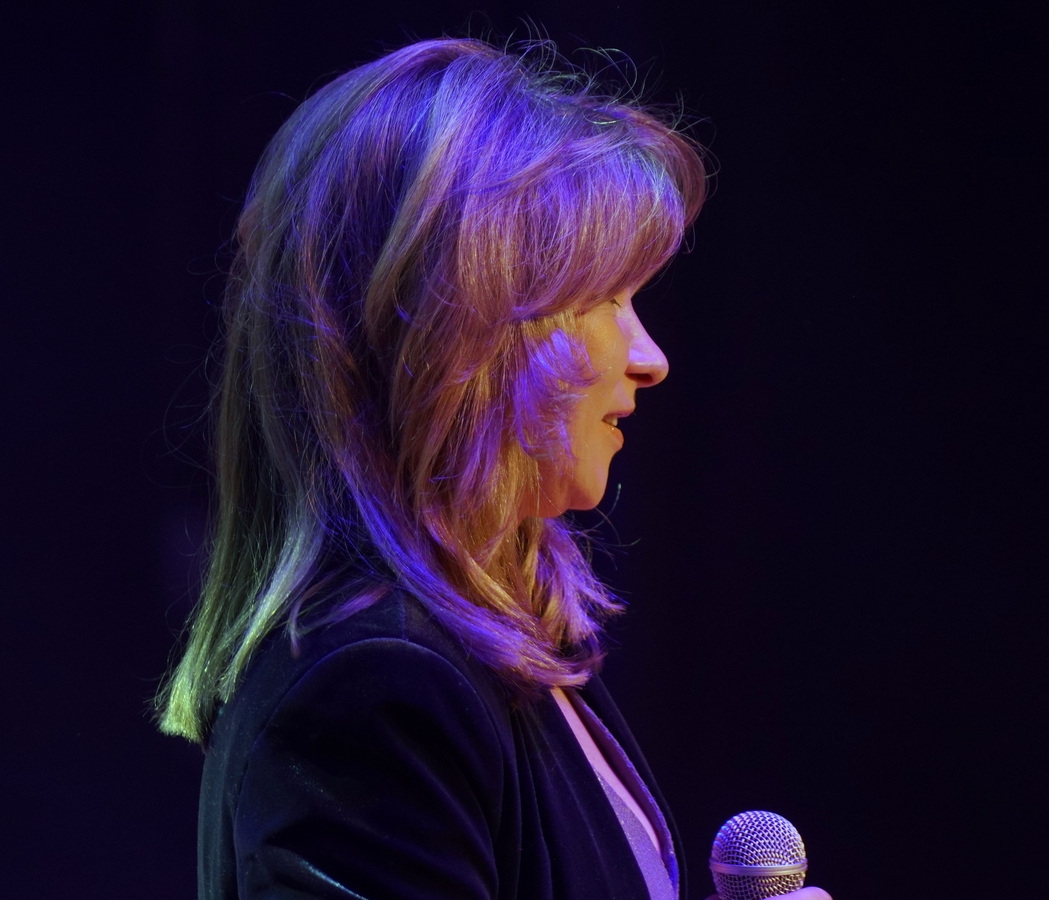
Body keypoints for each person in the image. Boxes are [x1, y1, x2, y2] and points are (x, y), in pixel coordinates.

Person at [156, 38, 831, 900]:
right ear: (460, 332)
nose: (651, 357)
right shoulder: (378, 688)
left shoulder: (492, 651)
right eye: (603, 300)